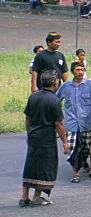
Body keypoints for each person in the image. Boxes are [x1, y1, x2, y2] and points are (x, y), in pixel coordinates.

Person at [20, 70, 70, 207]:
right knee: (45, 165)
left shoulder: (33, 97)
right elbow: (59, 123)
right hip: (47, 138)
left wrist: (29, 133)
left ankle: (24, 196)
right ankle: (36, 197)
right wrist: (65, 141)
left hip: (34, 135)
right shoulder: (54, 100)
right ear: (55, 83)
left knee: (31, 164)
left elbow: (28, 117)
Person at [57, 62, 91, 181]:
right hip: (71, 123)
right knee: (72, 149)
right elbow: (56, 100)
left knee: (87, 147)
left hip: (87, 123)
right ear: (72, 72)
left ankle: (86, 163)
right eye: (77, 70)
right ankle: (75, 172)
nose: (80, 72)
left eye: (82, 70)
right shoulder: (66, 86)